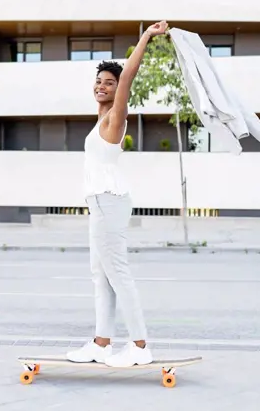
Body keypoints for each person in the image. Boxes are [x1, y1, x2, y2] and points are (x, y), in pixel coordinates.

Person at [66, 21, 169, 368]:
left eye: (108, 83)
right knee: (101, 273)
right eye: (98, 82)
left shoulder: (115, 117)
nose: (102, 86)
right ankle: (101, 343)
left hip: (109, 201)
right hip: (100, 202)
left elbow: (128, 76)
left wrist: (146, 37)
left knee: (117, 272)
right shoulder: (100, 121)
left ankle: (139, 346)